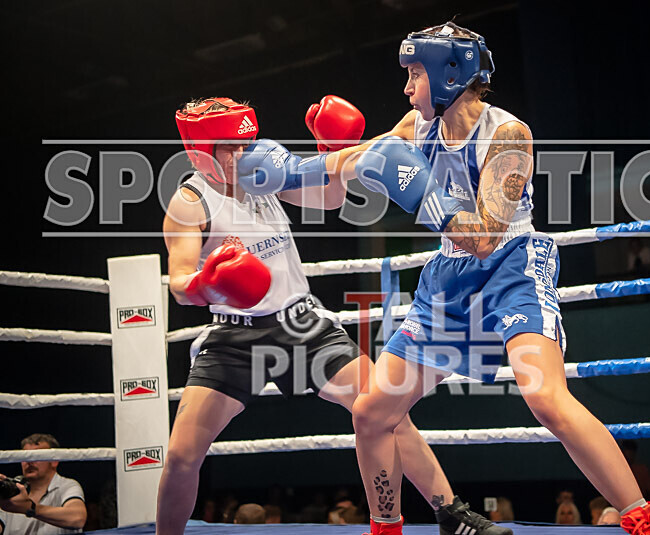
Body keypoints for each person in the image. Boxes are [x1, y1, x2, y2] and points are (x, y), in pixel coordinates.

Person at [243, 21, 650, 535]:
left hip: (511, 264)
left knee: (544, 396)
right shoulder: (413, 127)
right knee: (371, 412)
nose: (406, 88)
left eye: (415, 74)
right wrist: (287, 169)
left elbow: (488, 235)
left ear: (452, 74)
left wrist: (419, 191)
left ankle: (641, 519)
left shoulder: (509, 134)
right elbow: (350, 164)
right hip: (448, 279)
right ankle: (386, 526)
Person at [157, 97, 505, 535]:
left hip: (302, 325)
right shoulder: (189, 204)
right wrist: (208, 282)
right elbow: (180, 282)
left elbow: (327, 197)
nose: (241, 155)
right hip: (235, 337)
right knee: (182, 455)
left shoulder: (259, 170)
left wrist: (328, 151)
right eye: (228, 147)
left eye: (245, 143)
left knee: (387, 411)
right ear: (198, 152)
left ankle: (450, 513)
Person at [0, 434, 87, 534]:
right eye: (24, 456)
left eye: (36, 456)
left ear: (54, 461)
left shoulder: (67, 486)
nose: (29, 462)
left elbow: (77, 518)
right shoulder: (11, 491)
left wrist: (29, 508)